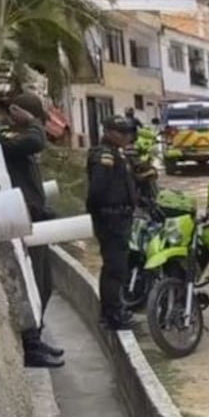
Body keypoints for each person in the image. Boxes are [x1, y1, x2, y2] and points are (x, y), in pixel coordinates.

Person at [0, 92, 64, 369]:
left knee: (44, 283)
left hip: (33, 220)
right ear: (17, 113)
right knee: (31, 283)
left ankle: (37, 336)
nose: (38, 123)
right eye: (34, 117)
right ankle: (29, 344)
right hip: (20, 222)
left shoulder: (21, 136)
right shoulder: (3, 135)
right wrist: (32, 121)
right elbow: (36, 141)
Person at [88, 115, 139, 330]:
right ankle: (112, 315)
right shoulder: (105, 156)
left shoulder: (118, 153)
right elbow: (97, 191)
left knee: (118, 266)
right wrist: (103, 215)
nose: (127, 136)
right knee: (115, 268)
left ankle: (114, 310)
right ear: (108, 132)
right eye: (122, 132)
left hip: (120, 216)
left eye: (128, 132)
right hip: (111, 218)